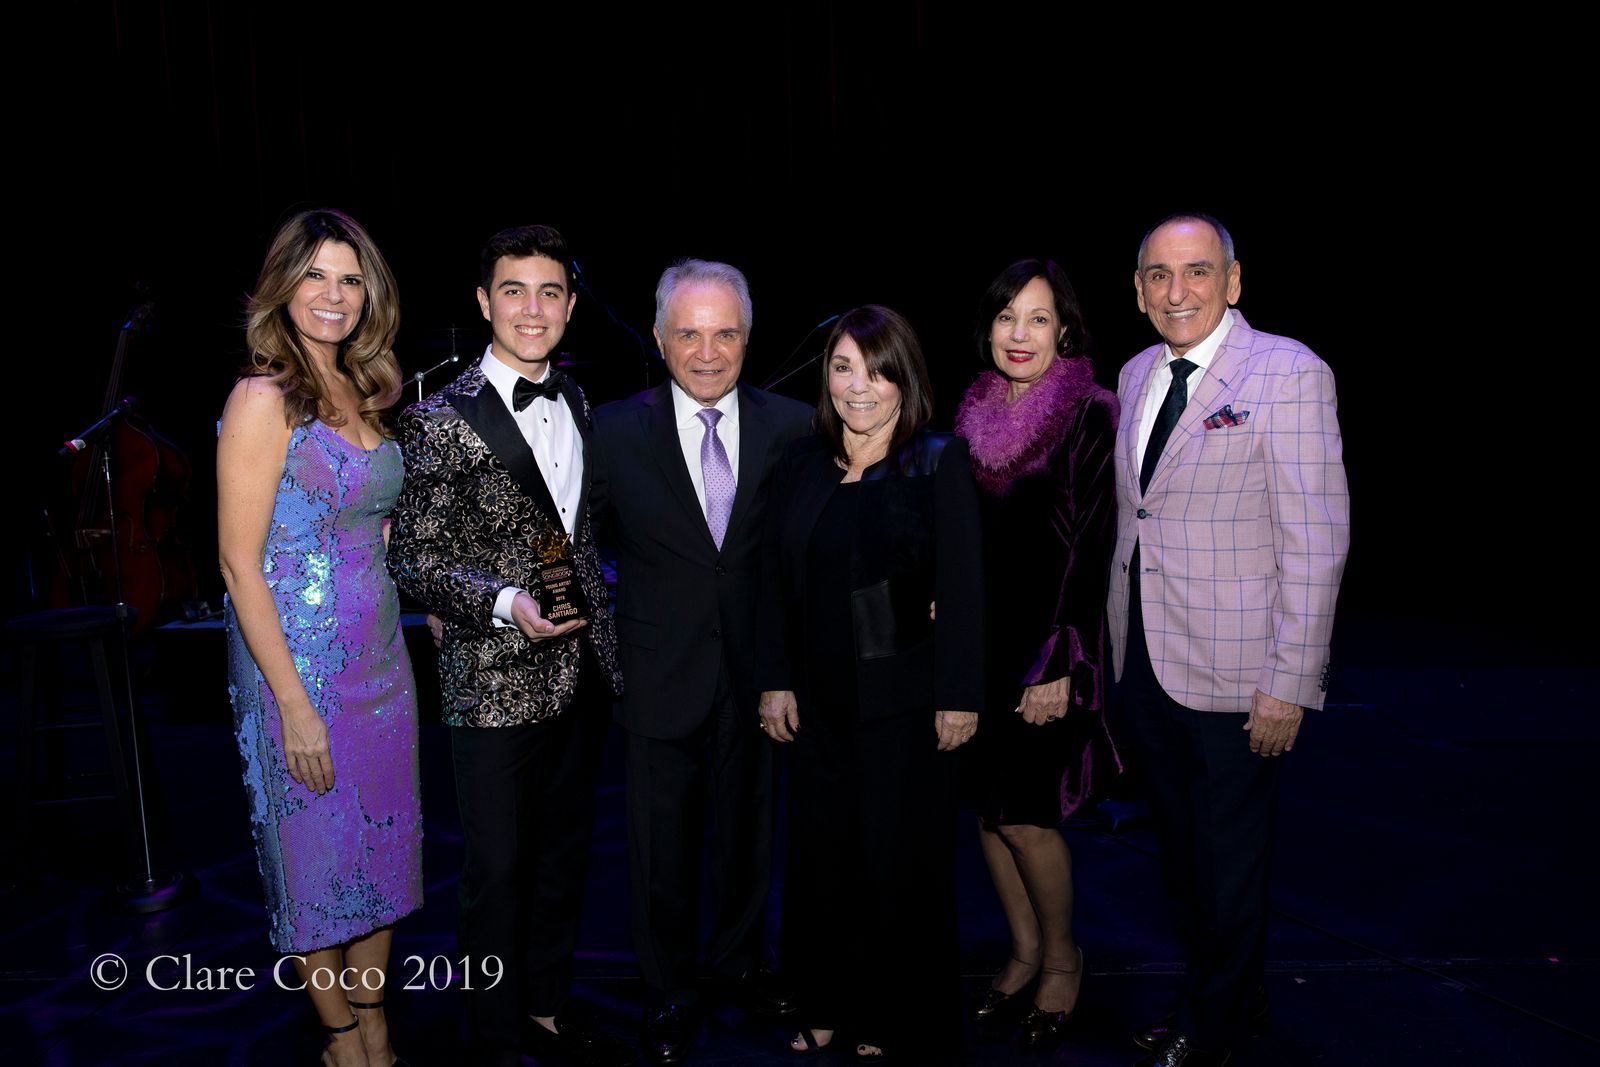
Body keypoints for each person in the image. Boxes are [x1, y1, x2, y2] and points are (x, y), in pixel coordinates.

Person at [1109, 214, 1350, 1067]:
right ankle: (1233, 1004)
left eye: (1198, 271)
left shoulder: (1288, 371)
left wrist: (1291, 679)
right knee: (1183, 858)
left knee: (1227, 866)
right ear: (1139, 291)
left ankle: (1210, 1031)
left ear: (1234, 281)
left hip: (1241, 673)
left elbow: (1317, 538)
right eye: (1159, 275)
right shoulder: (1135, 373)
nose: (1177, 291)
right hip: (1146, 661)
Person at [387, 225, 630, 1067]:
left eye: (550, 291)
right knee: (496, 870)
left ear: (571, 304)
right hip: (491, 677)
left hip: (582, 668)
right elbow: (413, 556)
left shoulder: (580, 398)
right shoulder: (436, 420)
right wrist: (499, 602)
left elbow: (567, 527)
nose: (534, 309)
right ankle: (491, 1038)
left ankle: (548, 1007)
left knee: (564, 858)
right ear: (484, 302)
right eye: (514, 291)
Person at [590, 259, 812, 1065]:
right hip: (658, 673)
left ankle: (738, 967)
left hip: (760, 678)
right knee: (661, 850)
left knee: (750, 838)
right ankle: (668, 990)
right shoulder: (613, 429)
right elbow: (565, 533)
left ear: (748, 338)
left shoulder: (795, 426)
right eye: (689, 333)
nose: (708, 352)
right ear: (658, 337)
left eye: (725, 333)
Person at [218, 208, 420, 1067]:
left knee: (383, 854)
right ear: (283, 285)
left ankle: (373, 1020)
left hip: (382, 661)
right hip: (295, 669)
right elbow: (238, 563)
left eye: (350, 279)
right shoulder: (262, 398)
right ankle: (340, 1038)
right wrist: (295, 707)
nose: (334, 295)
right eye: (315, 276)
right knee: (315, 863)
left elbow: (368, 523)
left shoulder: (368, 388)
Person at [757, 305, 984, 1064]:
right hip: (816, 704)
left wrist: (959, 695)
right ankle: (824, 1001)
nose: (860, 386)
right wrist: (775, 680)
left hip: (907, 705)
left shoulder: (937, 460)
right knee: (822, 859)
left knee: (896, 863)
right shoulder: (801, 461)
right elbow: (775, 582)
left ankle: (889, 1014)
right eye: (844, 367)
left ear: (904, 379)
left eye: (878, 370)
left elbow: (963, 588)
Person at [954, 259, 1120, 1050]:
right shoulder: (974, 409)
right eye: (1006, 317)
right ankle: (1022, 952)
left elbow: (1093, 546)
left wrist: (1062, 659)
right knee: (988, 812)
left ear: (1065, 330)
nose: (1019, 334)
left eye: (1038, 318)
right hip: (978, 646)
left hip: (1047, 646)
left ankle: (1062, 958)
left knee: (1028, 815)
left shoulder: (1090, 410)